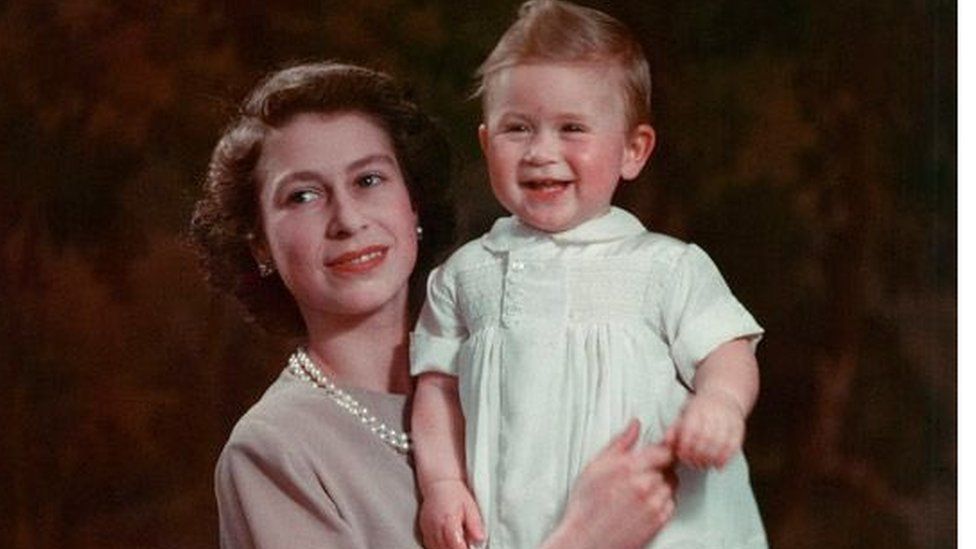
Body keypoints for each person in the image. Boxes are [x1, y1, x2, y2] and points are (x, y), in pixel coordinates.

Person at [192, 60, 677, 549]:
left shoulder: (510, 365)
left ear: (413, 202)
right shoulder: (273, 450)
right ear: (259, 245)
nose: (348, 219)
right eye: (303, 196)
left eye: (368, 181)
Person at [410, 1, 768, 548]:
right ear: (486, 144)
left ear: (632, 150)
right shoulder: (464, 276)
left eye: (572, 128)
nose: (540, 152)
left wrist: (719, 403)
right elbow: (436, 389)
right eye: (517, 128)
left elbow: (727, 350)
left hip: (651, 523)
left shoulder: (663, 266)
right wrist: (442, 482)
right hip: (522, 527)